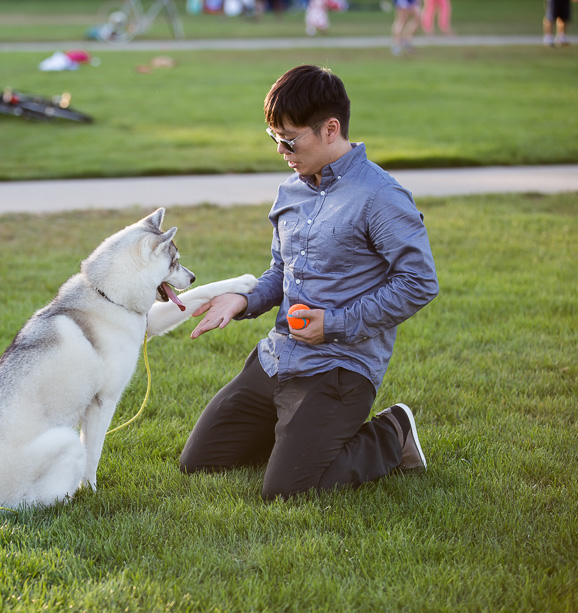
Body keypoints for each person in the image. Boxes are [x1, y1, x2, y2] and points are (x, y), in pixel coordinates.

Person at [178, 65, 439, 500]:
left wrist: (333, 324)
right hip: (278, 358)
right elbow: (281, 271)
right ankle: (294, 438)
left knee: (285, 491)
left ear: (330, 129)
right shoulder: (290, 191)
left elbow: (418, 282)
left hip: (339, 369)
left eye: (289, 139)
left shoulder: (381, 196)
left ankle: (392, 434)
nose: (281, 150)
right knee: (199, 463)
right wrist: (243, 302)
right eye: (273, 137)